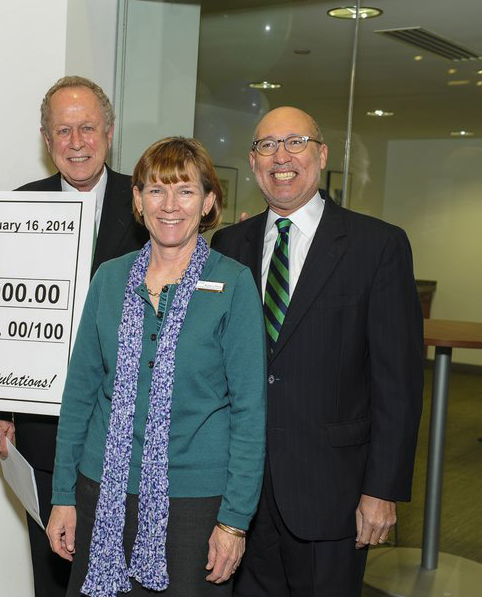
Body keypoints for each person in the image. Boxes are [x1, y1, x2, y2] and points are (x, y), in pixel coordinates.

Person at [210, 107, 423, 597]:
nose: (280, 156)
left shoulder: (378, 246)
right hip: (239, 492)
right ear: (253, 160)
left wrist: (382, 490)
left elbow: (399, 383)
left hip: (332, 492)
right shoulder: (228, 245)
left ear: (321, 155)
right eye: (267, 145)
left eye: (296, 142)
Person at [46, 137, 267, 597]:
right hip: (100, 490)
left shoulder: (233, 283)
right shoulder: (109, 277)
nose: (170, 205)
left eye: (185, 191)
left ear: (208, 202)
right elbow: (80, 394)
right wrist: (63, 495)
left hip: (193, 504)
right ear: (138, 200)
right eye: (155, 190)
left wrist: (235, 521)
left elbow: (250, 411)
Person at [0, 76, 148, 597]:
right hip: (42, 431)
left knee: (122, 568)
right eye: (63, 131)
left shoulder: (147, 206)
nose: (76, 142)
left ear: (110, 133)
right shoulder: (18, 209)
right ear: (46, 140)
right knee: (52, 567)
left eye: (88, 129)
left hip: (125, 424)